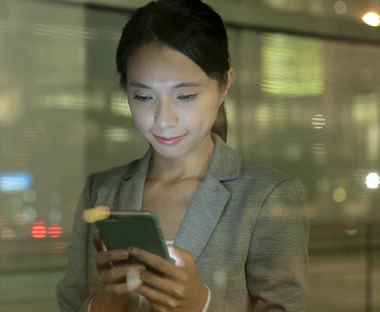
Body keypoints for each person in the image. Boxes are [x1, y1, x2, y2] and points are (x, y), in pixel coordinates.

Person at [57, 0, 309, 311]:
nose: (164, 119)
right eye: (143, 96)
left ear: (224, 85)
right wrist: (104, 303)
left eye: (186, 96)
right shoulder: (102, 191)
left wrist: (201, 305)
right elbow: (70, 302)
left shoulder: (268, 195)